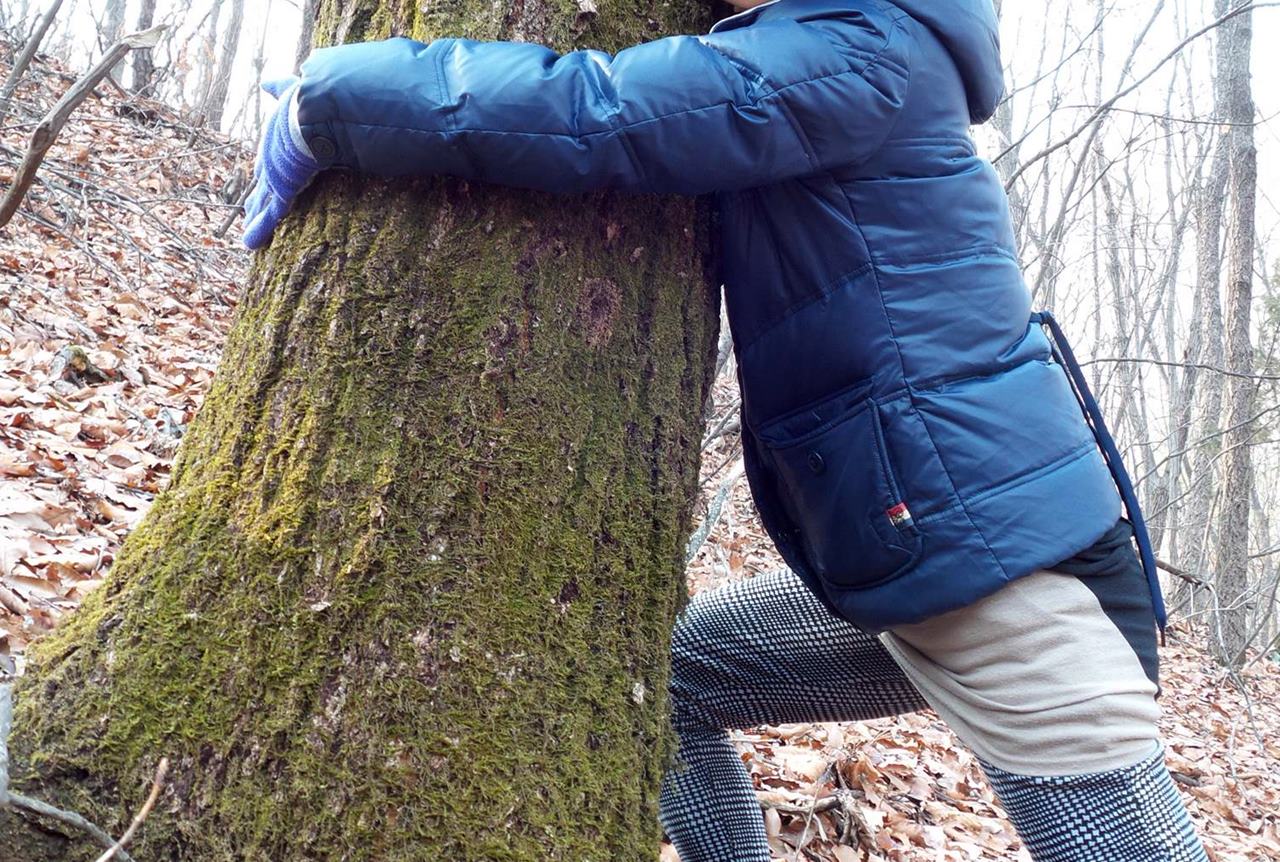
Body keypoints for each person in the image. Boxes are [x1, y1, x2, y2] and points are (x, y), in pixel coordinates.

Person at [244, 1, 1209, 859]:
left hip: (1006, 576)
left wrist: (326, 101)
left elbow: (600, 111)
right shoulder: (862, 47)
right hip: (907, 547)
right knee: (666, 682)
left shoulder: (861, 46)